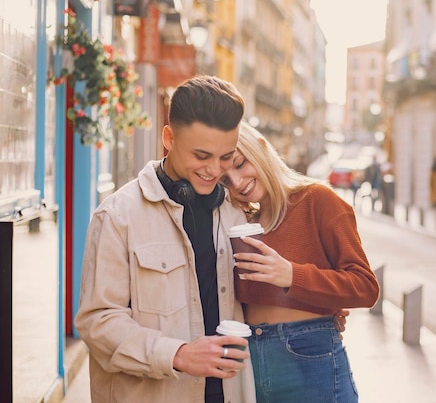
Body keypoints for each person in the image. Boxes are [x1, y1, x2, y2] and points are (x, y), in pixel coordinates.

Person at [74, 75, 256, 403]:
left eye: (226, 156)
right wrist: (177, 354)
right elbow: (98, 322)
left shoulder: (236, 213)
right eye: (201, 155)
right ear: (169, 139)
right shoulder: (118, 216)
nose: (214, 170)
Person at [219, 122, 380, 403]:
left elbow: (366, 287)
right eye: (225, 180)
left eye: (240, 164)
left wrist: (293, 275)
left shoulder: (318, 199)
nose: (237, 182)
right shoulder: (240, 223)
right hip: (249, 362)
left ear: (262, 147)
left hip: (309, 357)